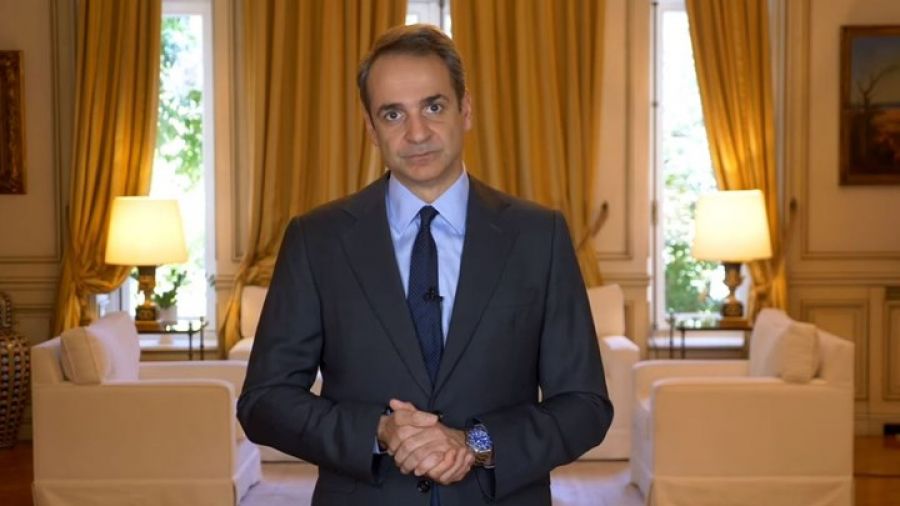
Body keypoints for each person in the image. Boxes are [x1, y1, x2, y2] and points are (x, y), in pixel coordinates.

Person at [237, 23, 613, 506]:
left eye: (433, 107)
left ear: (466, 110)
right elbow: (264, 402)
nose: (416, 133)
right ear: (371, 129)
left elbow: (585, 406)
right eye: (393, 114)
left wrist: (476, 443)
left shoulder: (540, 236)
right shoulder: (317, 239)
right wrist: (379, 432)